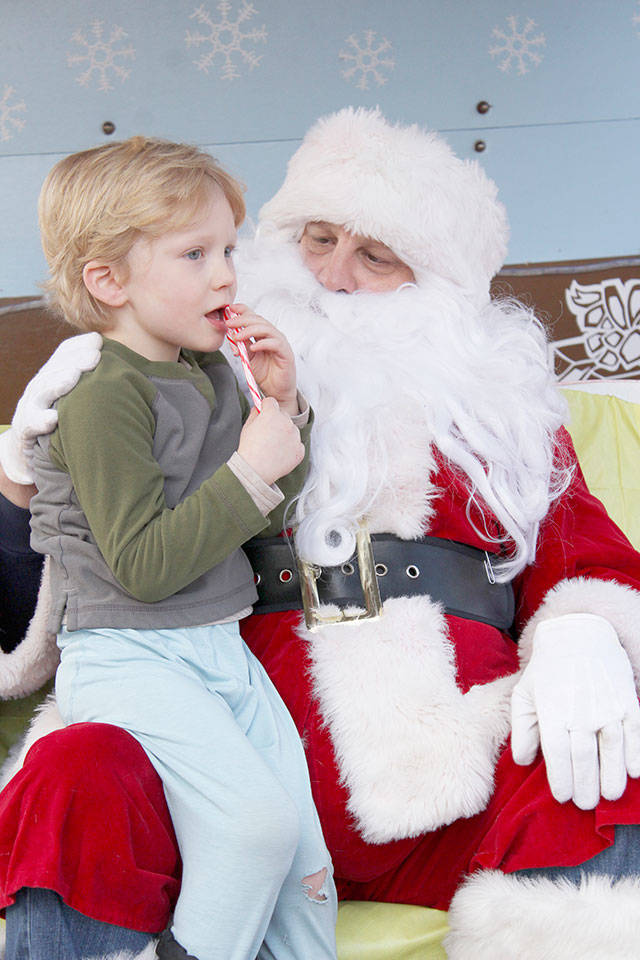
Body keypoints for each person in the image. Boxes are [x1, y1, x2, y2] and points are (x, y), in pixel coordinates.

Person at [1, 107, 640, 959]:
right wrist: (17, 483)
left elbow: (584, 553)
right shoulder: (177, 385)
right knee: (73, 771)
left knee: (606, 759)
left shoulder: (500, 410)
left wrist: (588, 632)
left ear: (439, 285)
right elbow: (65, 594)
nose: (333, 277)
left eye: (375, 256)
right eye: (315, 238)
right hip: (208, 767)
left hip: (456, 773)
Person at [1, 136, 337, 960]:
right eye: (195, 254)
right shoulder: (99, 395)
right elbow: (145, 569)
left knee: (304, 870)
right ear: (108, 280)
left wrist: (281, 412)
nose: (226, 274)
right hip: (131, 654)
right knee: (253, 830)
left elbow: (256, 521)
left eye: (228, 249)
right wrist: (253, 467)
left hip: (217, 647)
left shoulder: (211, 372)